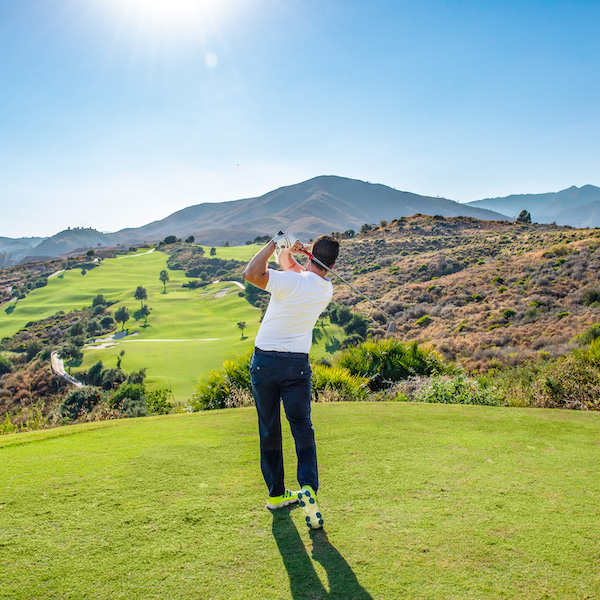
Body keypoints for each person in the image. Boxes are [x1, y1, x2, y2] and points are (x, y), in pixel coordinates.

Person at [243, 232, 340, 529]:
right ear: (333, 264)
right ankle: (308, 486)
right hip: (296, 366)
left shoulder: (292, 282)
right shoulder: (326, 289)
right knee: (302, 427)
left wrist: (275, 243)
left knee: (269, 428)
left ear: (311, 256)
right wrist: (290, 251)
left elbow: (251, 274)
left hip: (266, 363)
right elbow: (293, 269)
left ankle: (275, 494)